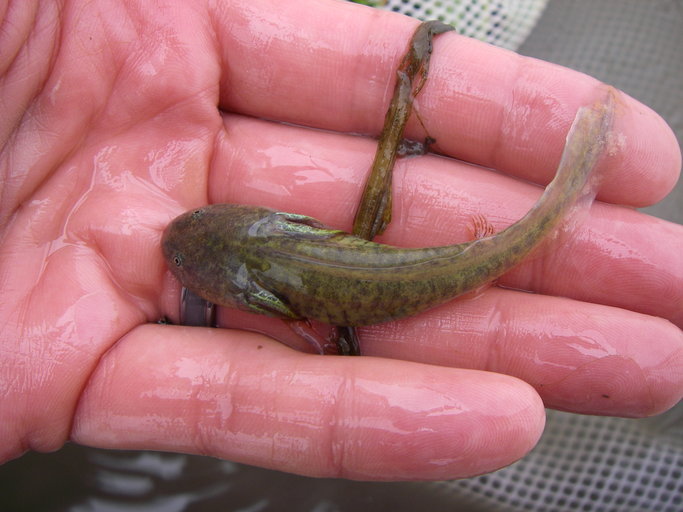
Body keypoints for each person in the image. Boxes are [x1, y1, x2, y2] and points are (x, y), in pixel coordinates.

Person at [0, 0, 681, 481]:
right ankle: (579, 172)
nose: (173, 260)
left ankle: (580, 172)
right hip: (434, 262)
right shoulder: (285, 261)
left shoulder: (285, 302)